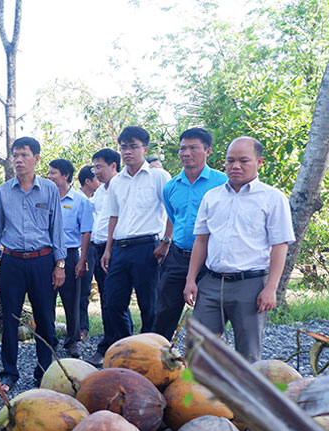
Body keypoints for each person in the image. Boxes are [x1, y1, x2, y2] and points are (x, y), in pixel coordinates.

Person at [184, 137, 294, 361]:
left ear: (259, 162)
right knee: (198, 350)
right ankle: (199, 395)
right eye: (230, 160)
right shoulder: (212, 197)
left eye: (244, 161)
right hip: (212, 284)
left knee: (248, 353)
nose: (235, 166)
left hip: (250, 286)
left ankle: (243, 396)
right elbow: (202, 241)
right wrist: (191, 279)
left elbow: (280, 246)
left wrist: (271, 288)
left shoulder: (273, 198)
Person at [0, 137, 65, 391]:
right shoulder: (2, 192)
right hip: (12, 262)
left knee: (45, 318)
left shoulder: (50, 190)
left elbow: (57, 229)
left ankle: (45, 371)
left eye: (24, 155)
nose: (19, 160)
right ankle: (9, 373)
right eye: (15, 155)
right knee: (10, 319)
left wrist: (59, 264)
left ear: (36, 158)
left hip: (42, 261)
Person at [100, 127, 170, 359]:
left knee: (148, 305)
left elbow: (172, 211)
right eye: (123, 147)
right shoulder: (117, 181)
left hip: (147, 248)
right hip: (120, 248)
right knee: (113, 303)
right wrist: (108, 249)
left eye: (133, 146)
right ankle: (126, 349)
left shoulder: (159, 176)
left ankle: (151, 354)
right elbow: (113, 216)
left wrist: (166, 242)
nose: (127, 152)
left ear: (145, 149)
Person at [152, 128, 227, 340]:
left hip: (210, 259)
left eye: (193, 148)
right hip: (178, 256)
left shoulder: (222, 183)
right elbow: (175, 219)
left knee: (207, 318)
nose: (186, 153)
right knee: (165, 312)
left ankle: (201, 365)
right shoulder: (171, 187)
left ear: (208, 151)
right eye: (183, 148)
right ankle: (157, 359)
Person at [88, 148, 132, 364]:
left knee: (117, 301)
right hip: (98, 250)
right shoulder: (99, 192)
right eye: (94, 167)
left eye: (100, 167)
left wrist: (110, 248)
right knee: (107, 300)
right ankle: (109, 345)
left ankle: (126, 347)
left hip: (115, 248)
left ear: (114, 166)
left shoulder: (122, 186)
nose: (96, 171)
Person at [47, 159, 93, 358]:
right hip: (46, 254)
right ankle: (49, 338)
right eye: (48, 173)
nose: (49, 176)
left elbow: (86, 232)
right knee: (45, 299)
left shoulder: (81, 201)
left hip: (70, 254)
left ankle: (72, 341)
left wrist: (82, 260)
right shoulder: (46, 198)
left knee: (71, 300)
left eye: (53, 173)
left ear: (65, 175)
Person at [77, 165, 98, 342]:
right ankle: (79, 328)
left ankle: (83, 327)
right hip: (78, 249)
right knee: (79, 290)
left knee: (86, 290)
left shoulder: (99, 198)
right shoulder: (77, 200)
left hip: (97, 248)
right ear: (88, 181)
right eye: (96, 177)